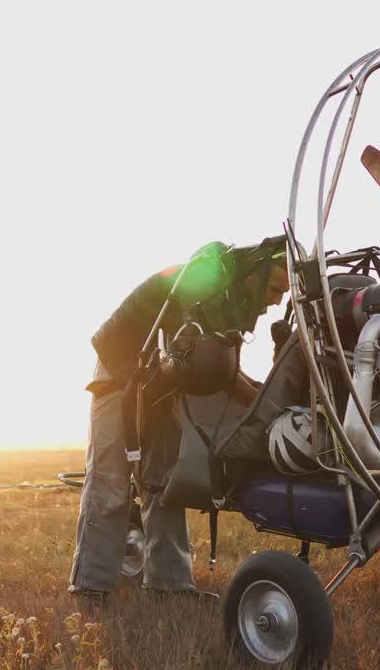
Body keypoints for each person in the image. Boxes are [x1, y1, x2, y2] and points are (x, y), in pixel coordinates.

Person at [68, 238, 289, 601]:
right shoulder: (207, 284)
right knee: (110, 477)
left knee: (162, 479)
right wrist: (271, 404)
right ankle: (90, 586)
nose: (278, 300)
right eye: (276, 289)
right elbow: (223, 375)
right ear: (255, 274)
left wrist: (267, 397)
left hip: (161, 383)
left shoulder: (229, 301)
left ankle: (170, 585)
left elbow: (224, 369)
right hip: (119, 375)